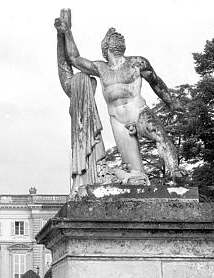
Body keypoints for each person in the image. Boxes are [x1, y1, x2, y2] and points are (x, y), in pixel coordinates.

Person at [55, 13, 182, 184]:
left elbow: (156, 82)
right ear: (106, 48)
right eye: (114, 40)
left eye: (119, 40)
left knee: (160, 136)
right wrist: (67, 32)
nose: (118, 41)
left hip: (138, 112)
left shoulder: (137, 62)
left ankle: (175, 172)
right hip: (118, 121)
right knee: (135, 171)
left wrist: (171, 102)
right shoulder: (100, 68)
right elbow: (73, 59)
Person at [56, 9, 106, 196]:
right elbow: (65, 65)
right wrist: (63, 34)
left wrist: (63, 35)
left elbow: (63, 67)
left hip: (82, 140)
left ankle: (84, 185)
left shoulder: (75, 93)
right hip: (89, 141)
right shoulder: (81, 93)